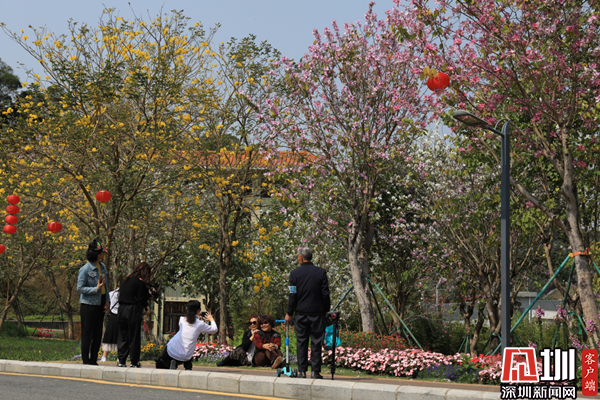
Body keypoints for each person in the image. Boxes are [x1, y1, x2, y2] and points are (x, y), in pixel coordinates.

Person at [285, 247, 330, 379]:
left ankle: (302, 371)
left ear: (300, 258)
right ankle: (315, 372)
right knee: (316, 342)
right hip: (317, 313)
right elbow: (325, 294)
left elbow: (292, 295)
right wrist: (326, 309)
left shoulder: (294, 274)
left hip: (301, 314)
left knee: (301, 342)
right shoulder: (321, 272)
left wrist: (289, 313)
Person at [155, 300, 217, 370]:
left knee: (160, 363)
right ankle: (187, 367)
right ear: (198, 310)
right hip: (186, 356)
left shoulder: (182, 320)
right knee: (187, 351)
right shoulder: (200, 324)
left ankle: (173, 363)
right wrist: (211, 320)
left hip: (172, 350)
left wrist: (197, 317)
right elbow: (214, 329)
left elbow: (190, 323)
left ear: (187, 309)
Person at [77, 239, 110, 366]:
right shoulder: (85, 269)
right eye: (102, 253)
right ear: (97, 254)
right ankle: (86, 360)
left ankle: (94, 359)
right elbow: (80, 288)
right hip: (88, 304)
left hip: (100, 303)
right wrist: (95, 289)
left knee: (98, 333)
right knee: (87, 333)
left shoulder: (102, 267)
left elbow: (106, 286)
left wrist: (107, 300)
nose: (103, 255)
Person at [117, 261, 153, 368]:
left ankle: (121, 360)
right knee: (134, 336)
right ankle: (134, 361)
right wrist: (149, 295)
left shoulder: (126, 280)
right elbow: (141, 299)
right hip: (132, 310)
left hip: (122, 309)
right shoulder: (140, 283)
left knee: (123, 336)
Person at [100, 288, 119, 362]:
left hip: (112, 316)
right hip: (121, 315)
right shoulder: (126, 294)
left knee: (108, 336)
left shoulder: (111, 293)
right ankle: (120, 356)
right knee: (120, 337)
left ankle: (104, 356)